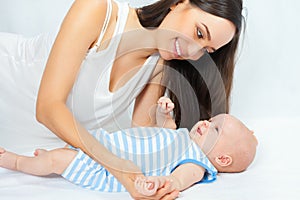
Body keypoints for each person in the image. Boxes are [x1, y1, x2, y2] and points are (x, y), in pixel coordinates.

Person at [0, 0, 244, 198]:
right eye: (199, 33)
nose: (193, 52)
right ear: (178, 3)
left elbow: (143, 138)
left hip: (23, 144)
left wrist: (156, 182)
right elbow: (47, 108)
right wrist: (119, 169)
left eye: (206, 50)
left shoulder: (158, 66)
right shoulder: (98, 11)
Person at [0, 97, 258, 196]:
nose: (205, 122)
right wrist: (164, 114)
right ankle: (52, 160)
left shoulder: (196, 164)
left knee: (57, 160)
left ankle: (15, 161)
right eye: (211, 119)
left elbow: (177, 180)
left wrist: (159, 183)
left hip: (108, 169)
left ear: (222, 160)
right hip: (104, 145)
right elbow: (162, 131)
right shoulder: (184, 139)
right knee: (69, 147)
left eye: (214, 129)